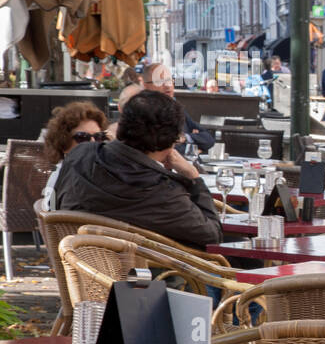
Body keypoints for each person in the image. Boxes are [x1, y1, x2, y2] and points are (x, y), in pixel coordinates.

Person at [54, 91, 222, 251]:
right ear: (169, 141)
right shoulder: (161, 191)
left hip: (77, 265)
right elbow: (212, 235)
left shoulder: (79, 155)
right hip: (148, 276)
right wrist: (193, 177)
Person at [40, 102, 109, 210]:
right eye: (82, 137)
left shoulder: (105, 173)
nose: (92, 142)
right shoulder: (60, 178)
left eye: (98, 136)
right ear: (64, 143)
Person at [142, 63, 213, 152]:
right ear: (145, 86)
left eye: (169, 80)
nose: (167, 85)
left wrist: (185, 138)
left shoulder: (177, 108)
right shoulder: (144, 112)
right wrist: (194, 148)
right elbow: (167, 150)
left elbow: (208, 139)